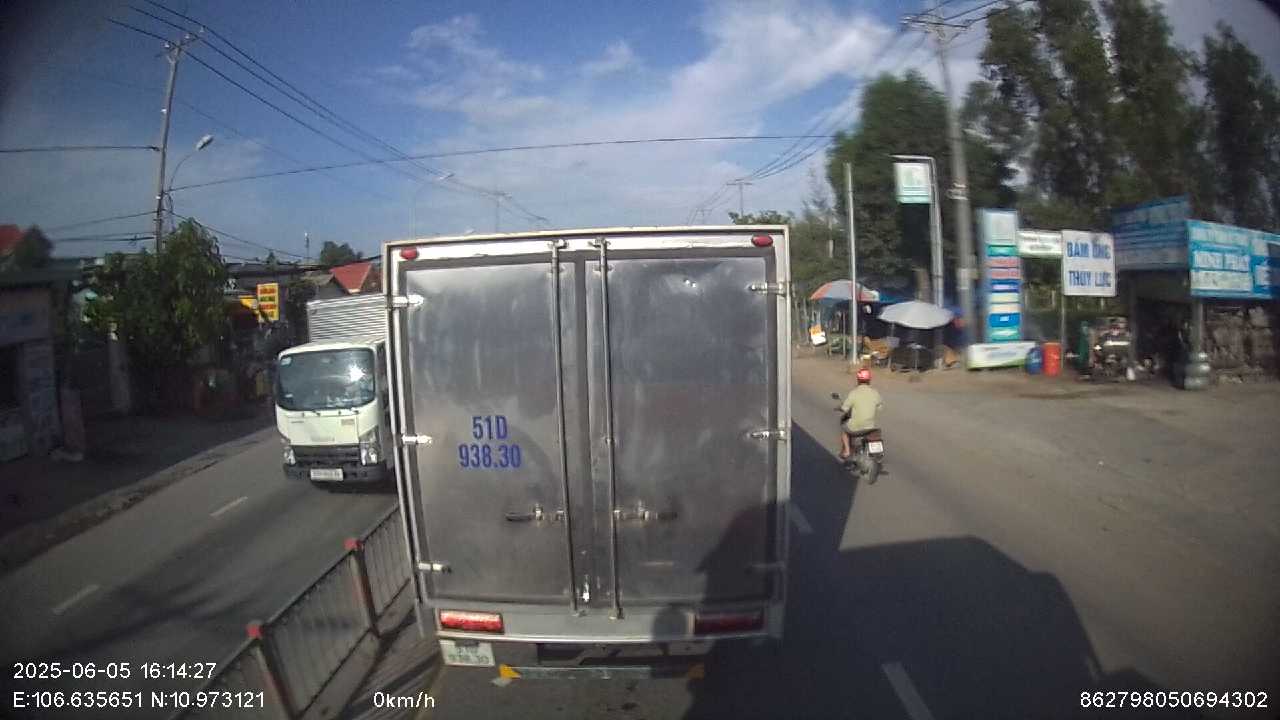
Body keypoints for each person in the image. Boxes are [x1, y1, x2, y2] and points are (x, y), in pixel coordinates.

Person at [838, 367, 883, 460]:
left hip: (855, 427)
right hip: (870, 427)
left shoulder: (854, 393)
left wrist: (839, 408)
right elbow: (880, 408)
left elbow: (845, 408)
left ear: (858, 380)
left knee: (844, 432)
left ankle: (847, 451)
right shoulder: (875, 393)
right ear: (869, 380)